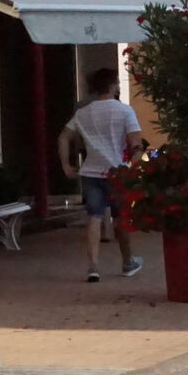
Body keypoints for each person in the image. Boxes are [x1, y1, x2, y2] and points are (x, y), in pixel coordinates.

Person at [58, 67, 145, 283]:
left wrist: (66, 165)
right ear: (113, 85)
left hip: (90, 171)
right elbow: (136, 143)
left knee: (94, 217)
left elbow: (63, 137)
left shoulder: (83, 113)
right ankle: (127, 261)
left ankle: (93, 267)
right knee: (120, 217)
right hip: (117, 171)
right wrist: (133, 167)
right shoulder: (125, 111)